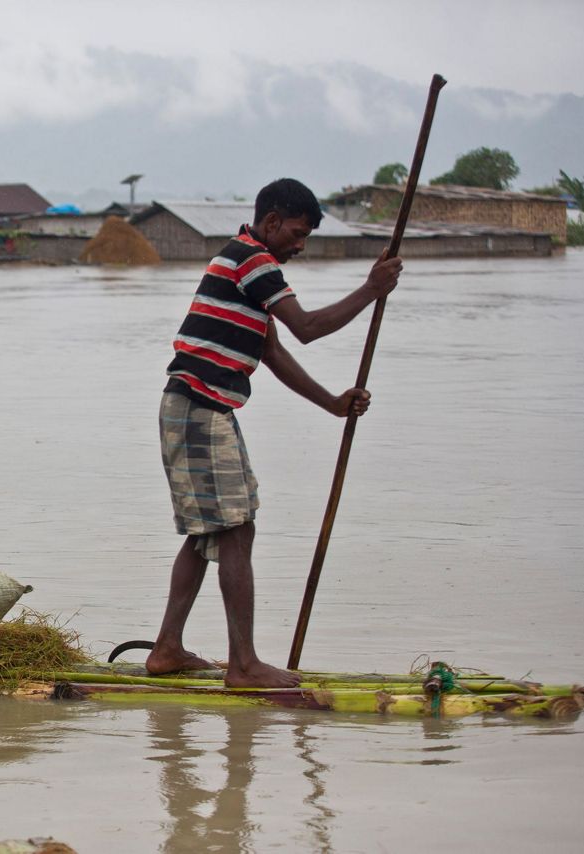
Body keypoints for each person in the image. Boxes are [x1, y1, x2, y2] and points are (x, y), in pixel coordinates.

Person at [150, 178, 403, 688]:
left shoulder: (249, 266)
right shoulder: (252, 258)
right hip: (198, 405)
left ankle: (167, 649)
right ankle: (243, 666)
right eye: (296, 232)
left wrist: (332, 403)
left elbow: (273, 353)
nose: (299, 244)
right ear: (270, 223)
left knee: (214, 531)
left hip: (207, 407)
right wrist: (371, 289)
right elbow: (306, 328)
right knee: (234, 529)